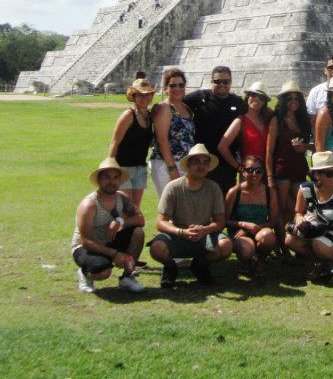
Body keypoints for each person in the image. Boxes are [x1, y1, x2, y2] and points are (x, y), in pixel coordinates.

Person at [149, 144, 232, 287]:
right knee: (157, 247)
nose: (201, 166)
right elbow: (160, 222)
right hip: (179, 235)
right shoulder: (173, 187)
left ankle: (200, 265)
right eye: (196, 162)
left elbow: (220, 221)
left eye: (205, 163)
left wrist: (204, 230)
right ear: (188, 165)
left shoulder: (213, 188)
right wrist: (181, 231)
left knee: (226, 246)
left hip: (204, 235)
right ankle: (170, 267)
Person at [71, 157, 146, 293]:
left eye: (115, 178)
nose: (111, 182)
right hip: (86, 247)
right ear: (99, 180)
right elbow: (86, 241)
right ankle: (85, 273)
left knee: (138, 232)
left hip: (109, 240)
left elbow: (140, 219)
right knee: (103, 272)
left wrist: (120, 221)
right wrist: (115, 254)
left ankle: (127, 277)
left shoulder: (122, 198)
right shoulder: (89, 204)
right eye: (106, 177)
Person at [285, 151, 333, 284]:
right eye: (330, 173)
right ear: (317, 175)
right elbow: (298, 212)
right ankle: (321, 263)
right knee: (290, 240)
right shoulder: (305, 189)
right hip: (317, 230)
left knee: (318, 244)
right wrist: (299, 218)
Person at [185, 66, 245, 195]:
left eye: (226, 81)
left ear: (231, 82)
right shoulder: (200, 98)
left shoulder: (238, 102)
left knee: (225, 204)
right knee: (200, 203)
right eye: (217, 81)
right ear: (211, 82)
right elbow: (176, 103)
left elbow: (254, 113)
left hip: (227, 164)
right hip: (202, 162)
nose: (222, 84)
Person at [266, 80, 312, 230]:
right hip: (282, 170)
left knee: (300, 209)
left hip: (299, 169)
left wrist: (303, 147)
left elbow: (307, 146)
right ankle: (281, 246)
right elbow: (269, 151)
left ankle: (295, 241)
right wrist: (270, 177)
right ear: (284, 100)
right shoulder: (276, 120)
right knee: (282, 209)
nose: (293, 101)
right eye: (290, 98)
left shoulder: (302, 120)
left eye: (296, 98)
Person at [224, 156, 278, 276]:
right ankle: (245, 263)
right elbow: (223, 220)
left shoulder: (270, 192)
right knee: (246, 249)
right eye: (249, 170)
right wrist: (243, 225)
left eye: (258, 171)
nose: (254, 174)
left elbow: (273, 221)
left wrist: (255, 228)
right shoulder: (234, 192)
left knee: (268, 237)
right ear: (243, 171)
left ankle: (260, 262)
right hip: (238, 233)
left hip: (260, 229)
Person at [107, 78, 156, 210]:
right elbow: (114, 142)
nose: (144, 98)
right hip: (123, 169)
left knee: (135, 208)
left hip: (140, 168)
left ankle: (133, 231)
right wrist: (110, 168)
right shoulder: (128, 115)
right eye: (140, 95)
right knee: (125, 208)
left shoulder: (150, 117)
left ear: (151, 96)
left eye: (147, 94)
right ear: (133, 96)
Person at [150, 68, 195, 196]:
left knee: (182, 207)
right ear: (165, 88)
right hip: (165, 165)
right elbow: (162, 140)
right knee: (169, 207)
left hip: (183, 164)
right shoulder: (165, 107)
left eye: (181, 85)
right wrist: (172, 169)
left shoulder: (186, 108)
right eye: (173, 85)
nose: (177, 88)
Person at [218, 82, 275, 176]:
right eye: (253, 95)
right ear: (247, 97)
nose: (256, 99)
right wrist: (238, 167)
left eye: (261, 98)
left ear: (265, 102)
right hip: (249, 173)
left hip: (268, 171)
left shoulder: (267, 119)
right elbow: (222, 146)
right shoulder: (240, 121)